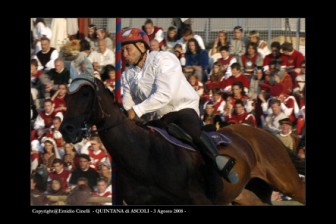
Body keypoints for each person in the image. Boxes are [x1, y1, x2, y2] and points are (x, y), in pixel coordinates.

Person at [121, 28, 238, 183]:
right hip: (159, 118)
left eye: (127, 49)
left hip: (182, 108)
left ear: (141, 47)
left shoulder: (164, 59)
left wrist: (136, 110)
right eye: (122, 50)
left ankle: (219, 162)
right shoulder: (127, 75)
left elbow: (164, 94)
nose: (124, 54)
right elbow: (128, 102)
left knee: (192, 130)